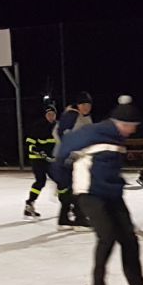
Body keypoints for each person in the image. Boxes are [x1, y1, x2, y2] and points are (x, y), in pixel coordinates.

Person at [52, 95, 143, 285]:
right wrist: (64, 182)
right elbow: (64, 148)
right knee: (107, 236)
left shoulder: (119, 138)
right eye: (132, 126)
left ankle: (137, 283)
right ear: (122, 123)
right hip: (89, 193)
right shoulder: (95, 132)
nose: (133, 130)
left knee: (129, 238)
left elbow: (110, 169)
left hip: (112, 193)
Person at [53, 92, 93, 228]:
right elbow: (59, 133)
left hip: (77, 157)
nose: (86, 107)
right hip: (68, 158)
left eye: (88, 104)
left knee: (71, 188)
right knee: (78, 187)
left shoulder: (84, 117)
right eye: (83, 104)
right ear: (78, 105)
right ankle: (79, 218)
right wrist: (69, 151)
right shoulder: (72, 116)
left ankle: (64, 218)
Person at [23, 105, 58, 218]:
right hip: (37, 159)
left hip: (50, 159)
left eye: (53, 114)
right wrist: (36, 150)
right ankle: (30, 204)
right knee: (40, 181)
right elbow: (29, 142)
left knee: (61, 180)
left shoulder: (57, 127)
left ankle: (68, 205)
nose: (51, 116)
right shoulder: (38, 126)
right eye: (48, 114)